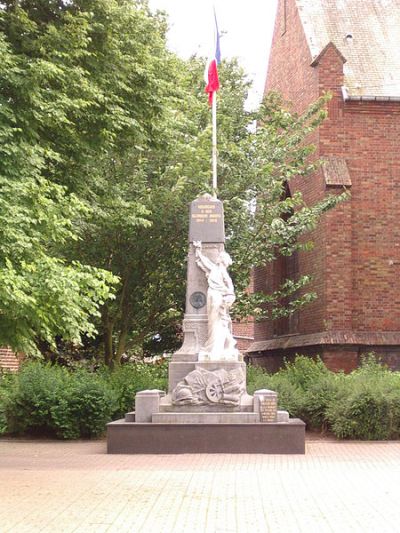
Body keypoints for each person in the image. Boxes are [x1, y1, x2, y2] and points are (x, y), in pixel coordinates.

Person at [193, 240, 239, 361]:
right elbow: (203, 261)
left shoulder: (223, 273)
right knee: (214, 322)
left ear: (223, 260)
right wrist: (198, 249)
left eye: (220, 257)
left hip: (218, 297)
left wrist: (228, 300)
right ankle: (227, 342)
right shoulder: (214, 269)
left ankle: (218, 347)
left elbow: (230, 290)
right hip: (212, 295)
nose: (218, 258)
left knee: (217, 322)